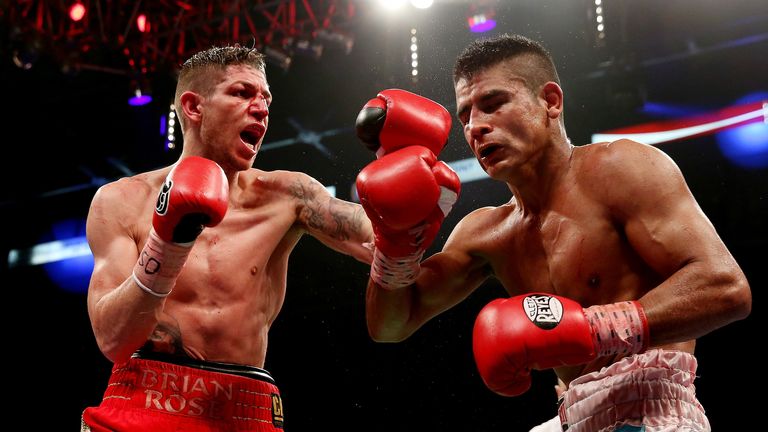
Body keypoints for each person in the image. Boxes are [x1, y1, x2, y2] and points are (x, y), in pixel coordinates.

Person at [356, 34, 751, 431]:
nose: (476, 126)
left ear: (550, 101)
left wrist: (592, 330)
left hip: (651, 405)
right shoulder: (486, 232)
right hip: (573, 415)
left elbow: (726, 287)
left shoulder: (620, 168)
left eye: (493, 104)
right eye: (465, 116)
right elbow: (390, 325)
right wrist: (396, 245)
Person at [81, 45, 374, 431]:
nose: (262, 108)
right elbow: (112, 339)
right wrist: (166, 245)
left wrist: (406, 191)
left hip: (241, 408)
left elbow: (381, 241)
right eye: (242, 93)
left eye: (266, 98)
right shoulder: (120, 200)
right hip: (140, 403)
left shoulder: (290, 196)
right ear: (193, 107)